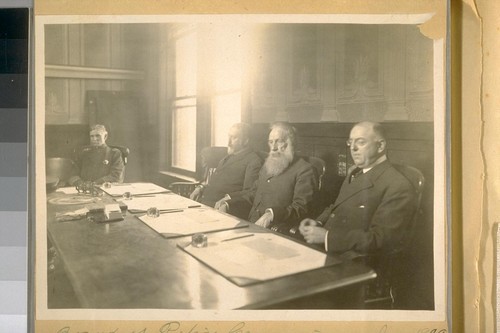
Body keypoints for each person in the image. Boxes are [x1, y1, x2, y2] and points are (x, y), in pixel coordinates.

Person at [298, 121, 417, 255]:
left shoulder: (398, 185)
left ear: (380, 146)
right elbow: (337, 206)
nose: (353, 148)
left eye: (361, 142)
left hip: (353, 261)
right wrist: (317, 222)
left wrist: (327, 237)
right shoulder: (356, 173)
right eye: (350, 142)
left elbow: (381, 240)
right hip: (328, 250)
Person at [217, 122, 317, 229]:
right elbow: (253, 194)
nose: (273, 147)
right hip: (250, 224)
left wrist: (272, 214)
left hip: (277, 230)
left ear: (290, 143)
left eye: (278, 141)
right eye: (271, 142)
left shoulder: (304, 170)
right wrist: (229, 204)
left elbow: (301, 208)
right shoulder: (267, 165)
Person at [189, 123, 263, 219]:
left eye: (234, 138)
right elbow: (213, 182)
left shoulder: (253, 161)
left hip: (221, 211)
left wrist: (228, 199)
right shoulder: (227, 158)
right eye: (229, 136)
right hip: (202, 205)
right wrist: (200, 187)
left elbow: (250, 192)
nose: (228, 142)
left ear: (245, 141)